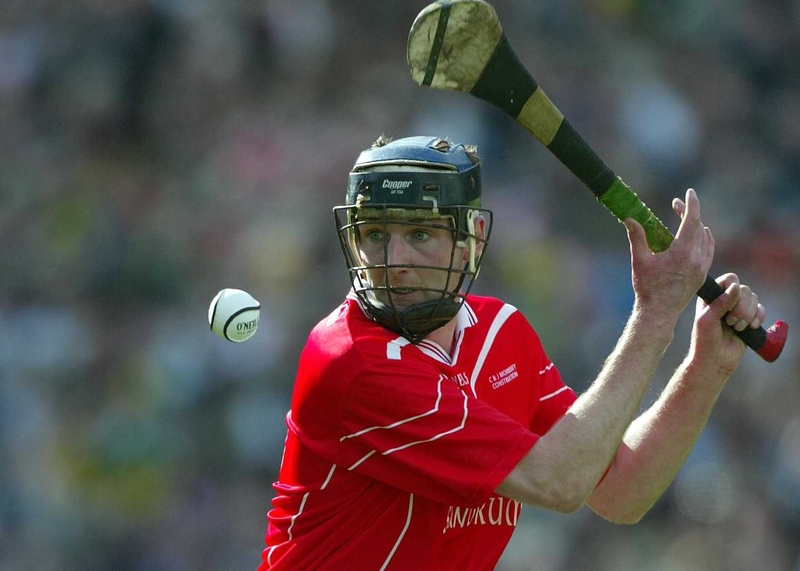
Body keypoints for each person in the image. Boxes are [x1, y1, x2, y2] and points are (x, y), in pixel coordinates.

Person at [258, 135, 766, 570]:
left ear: (468, 240)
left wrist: (707, 367)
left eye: (419, 233)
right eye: (375, 236)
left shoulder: (502, 332)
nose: (395, 261)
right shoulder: (353, 362)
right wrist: (655, 316)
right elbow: (561, 479)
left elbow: (619, 491)